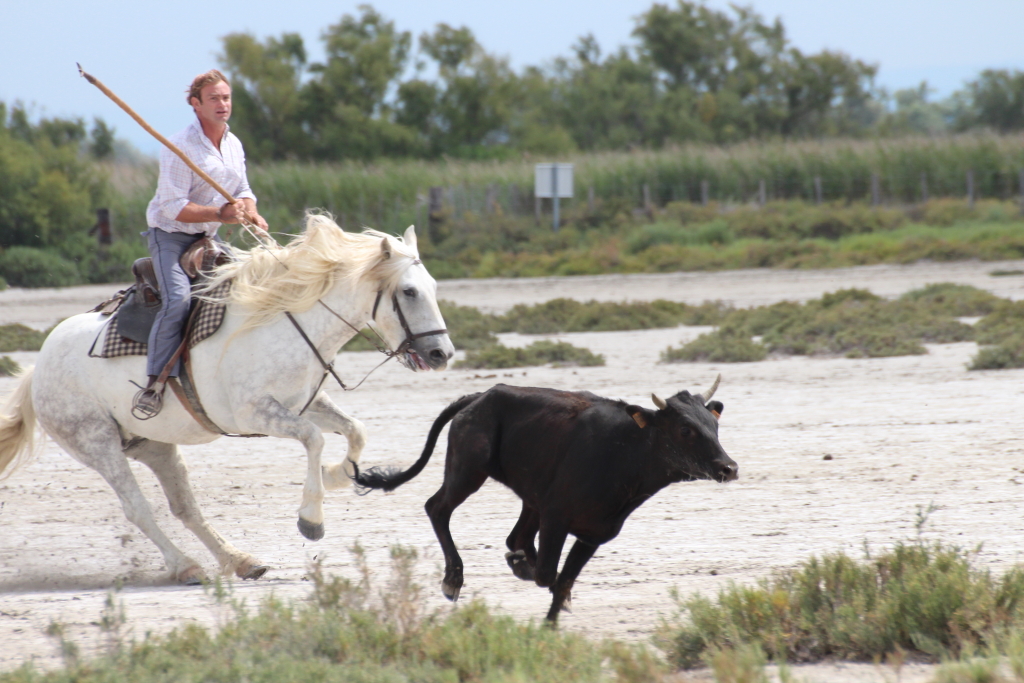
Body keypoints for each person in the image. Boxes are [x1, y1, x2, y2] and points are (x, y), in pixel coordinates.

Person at [133, 69, 269, 419]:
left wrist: (250, 210)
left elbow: (242, 190)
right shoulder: (179, 147)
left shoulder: (233, 143)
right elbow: (173, 207)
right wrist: (220, 213)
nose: (223, 104)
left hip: (209, 237)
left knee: (250, 288)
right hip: (171, 237)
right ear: (196, 104)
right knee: (178, 300)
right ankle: (155, 384)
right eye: (214, 99)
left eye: (226, 97)